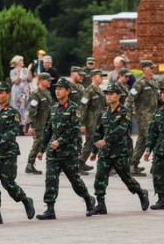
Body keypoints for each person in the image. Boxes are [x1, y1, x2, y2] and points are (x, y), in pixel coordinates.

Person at [35, 78, 95, 219]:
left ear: (68, 91)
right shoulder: (54, 108)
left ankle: (88, 200)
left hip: (68, 152)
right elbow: (48, 130)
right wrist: (41, 149)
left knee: (74, 180)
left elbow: (75, 129)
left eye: (61, 89)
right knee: (51, 179)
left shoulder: (73, 108)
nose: (57, 91)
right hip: (53, 152)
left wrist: (60, 141)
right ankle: (50, 209)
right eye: (56, 89)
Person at [86, 84, 150, 216]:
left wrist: (106, 140)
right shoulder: (104, 113)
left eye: (112, 93)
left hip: (120, 151)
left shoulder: (124, 111)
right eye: (107, 94)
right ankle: (101, 204)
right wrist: (94, 150)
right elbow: (98, 132)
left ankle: (141, 192)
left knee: (126, 178)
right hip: (105, 151)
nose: (109, 96)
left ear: (119, 96)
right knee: (100, 177)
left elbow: (121, 130)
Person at [0, 81, 35, 225]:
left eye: (1, 93)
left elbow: (10, 134)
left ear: (8, 94)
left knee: (8, 183)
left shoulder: (12, 113)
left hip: (7, 153)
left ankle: (25, 200)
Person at [126, 60, 160, 176]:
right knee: (154, 139)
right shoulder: (140, 84)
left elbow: (157, 100)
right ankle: (157, 166)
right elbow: (130, 98)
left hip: (154, 116)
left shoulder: (154, 83)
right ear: (145, 69)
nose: (153, 70)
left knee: (142, 141)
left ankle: (132, 165)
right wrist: (130, 113)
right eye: (151, 68)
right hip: (144, 117)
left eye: (154, 68)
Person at [78, 69, 106, 175]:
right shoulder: (88, 91)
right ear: (94, 77)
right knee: (89, 143)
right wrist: (82, 123)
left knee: (99, 143)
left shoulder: (100, 91)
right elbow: (82, 108)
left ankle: (83, 162)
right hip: (91, 122)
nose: (102, 78)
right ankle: (79, 163)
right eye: (100, 76)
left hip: (100, 122)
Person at [25, 72, 53, 175]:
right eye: (48, 80)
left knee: (51, 141)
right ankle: (30, 164)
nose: (50, 81)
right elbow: (32, 111)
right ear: (41, 81)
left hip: (48, 123)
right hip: (39, 124)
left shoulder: (47, 92)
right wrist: (32, 126)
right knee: (38, 143)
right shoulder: (36, 94)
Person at [144, 80, 164, 210]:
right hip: (159, 150)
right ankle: (162, 199)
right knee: (157, 173)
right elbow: (152, 133)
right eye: (163, 92)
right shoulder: (158, 112)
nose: (163, 94)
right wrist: (148, 149)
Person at [9, 55, 33, 133]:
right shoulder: (13, 71)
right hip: (16, 92)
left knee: (25, 109)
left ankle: (24, 128)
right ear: (17, 62)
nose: (23, 62)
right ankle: (17, 127)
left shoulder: (26, 70)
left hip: (25, 92)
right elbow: (16, 81)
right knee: (16, 109)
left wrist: (29, 70)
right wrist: (19, 72)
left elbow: (29, 79)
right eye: (21, 61)